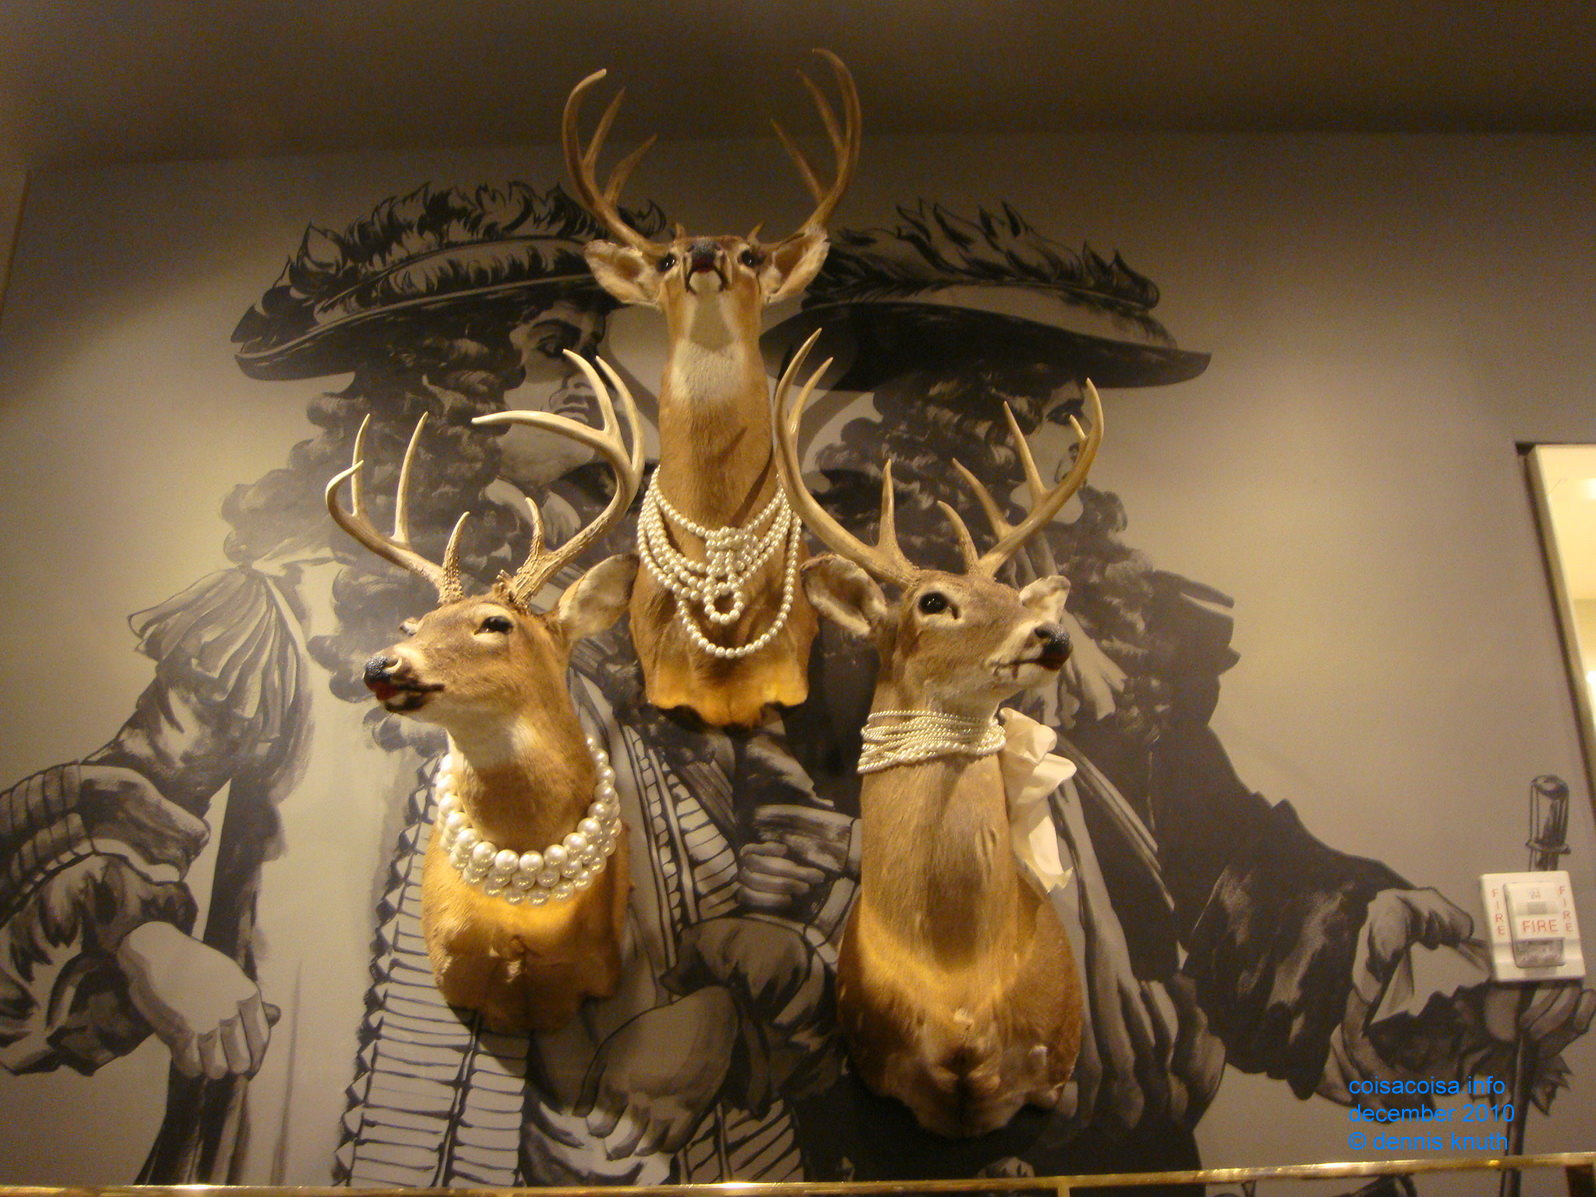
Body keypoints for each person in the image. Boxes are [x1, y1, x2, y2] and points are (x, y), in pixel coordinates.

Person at [754, 200, 1596, 1178]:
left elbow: (1198, 837)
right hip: (909, 1105)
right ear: (948, 398)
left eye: (1074, 399)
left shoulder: (1116, 612)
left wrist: (1358, 920)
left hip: (1129, 1120)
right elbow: (775, 813)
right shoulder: (826, 593)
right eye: (1036, 394)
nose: (1068, 426)